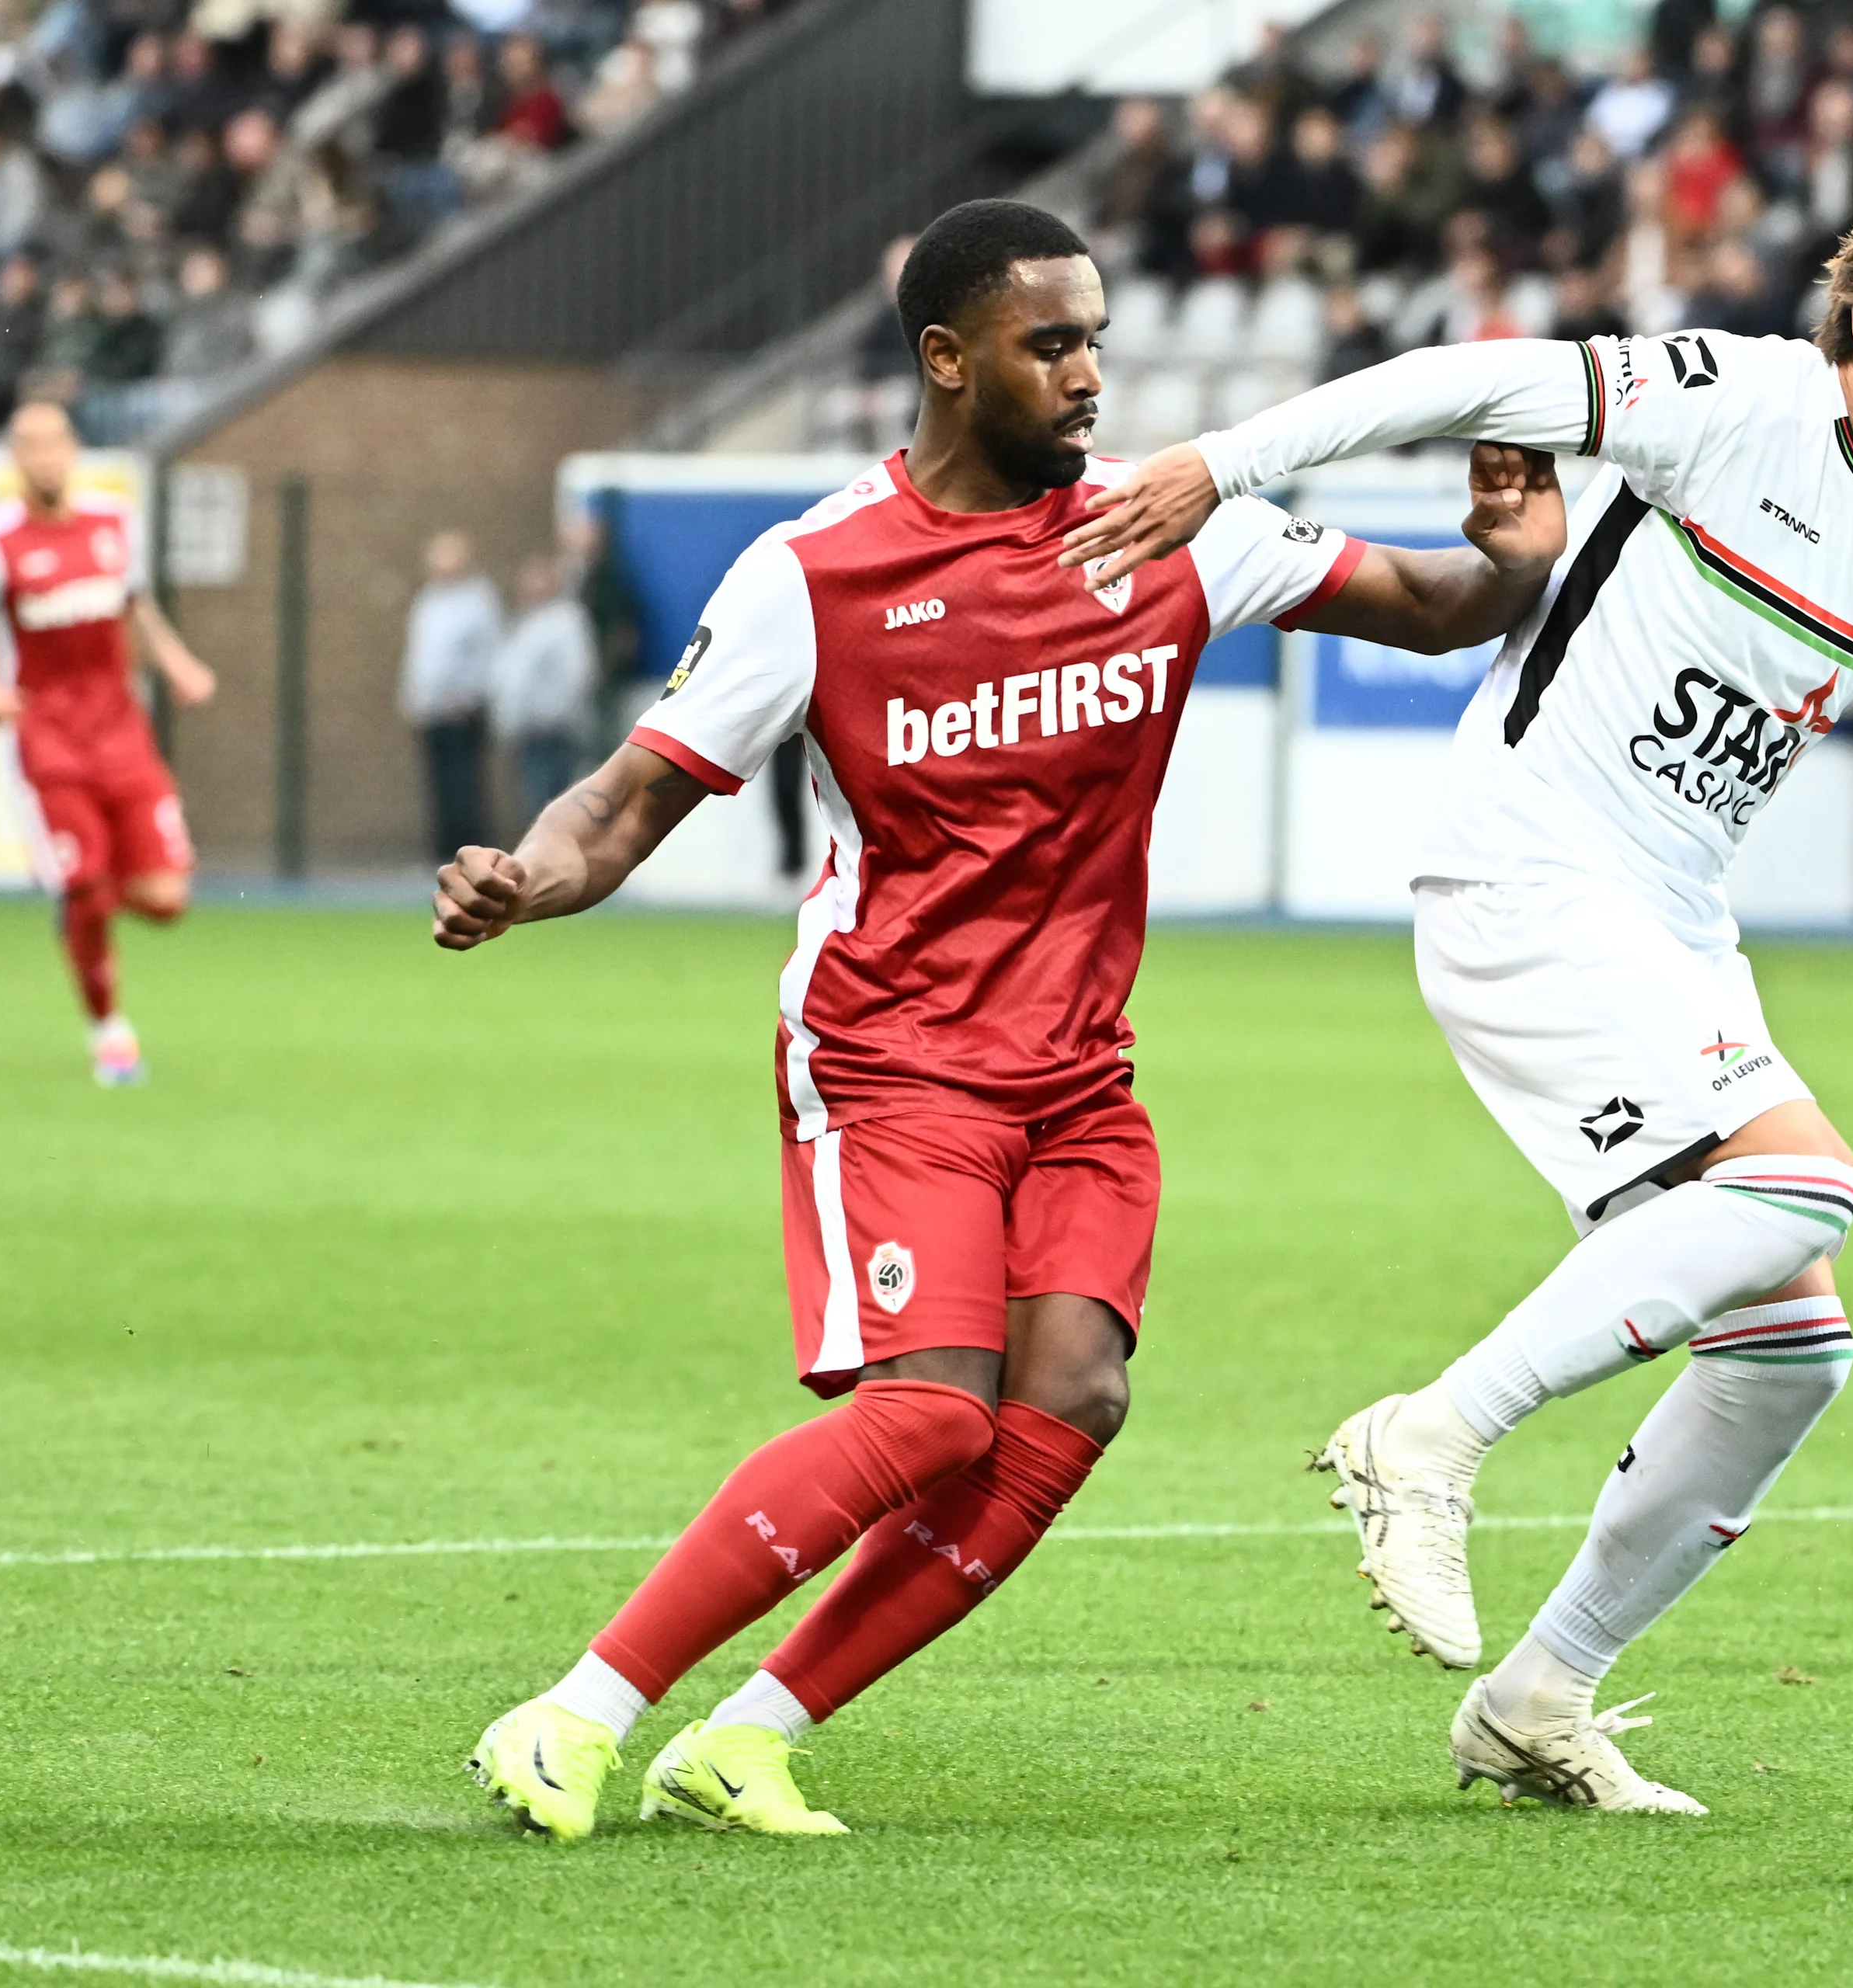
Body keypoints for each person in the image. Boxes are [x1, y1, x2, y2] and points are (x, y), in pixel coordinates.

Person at [1062, 154, 1853, 1813]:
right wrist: (1219, 462)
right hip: (1526, 874)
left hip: (1670, 921)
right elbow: (1466, 379)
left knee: (1791, 1349)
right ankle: (1427, 1435)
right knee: (1805, 1180)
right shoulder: (1734, 399)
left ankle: (1538, 1695)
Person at [437, 200, 1566, 1842]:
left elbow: (1436, 605)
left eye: (1101, 336)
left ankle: (746, 1734)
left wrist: (1518, 543)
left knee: (1072, 1397)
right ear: (948, 360)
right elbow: (618, 808)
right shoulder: (815, 576)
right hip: (890, 1055)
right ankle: (574, 1711)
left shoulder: (1169, 530)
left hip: (1079, 1075)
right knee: (928, 1408)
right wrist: (519, 882)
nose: (1092, 373)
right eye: (1054, 344)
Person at [0, 401, 215, 1086]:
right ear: (15, 458)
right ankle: (110, 1034)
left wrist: (175, 663)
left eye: (55, 443)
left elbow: (135, 605)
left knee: (167, 899)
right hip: (47, 747)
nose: (45, 457)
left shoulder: (115, 524)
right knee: (87, 892)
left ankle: (78, 896)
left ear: (73, 449)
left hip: (123, 737)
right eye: (30, 445)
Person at [400, 530, 503, 858]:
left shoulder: (477, 600)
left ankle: (470, 854)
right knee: (439, 788)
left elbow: (489, 654)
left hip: (463, 709)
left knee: (464, 787)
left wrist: (475, 696)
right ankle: (442, 855)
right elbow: (419, 655)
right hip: (430, 710)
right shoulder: (427, 601)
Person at [488, 550, 595, 832]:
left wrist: (556, 712)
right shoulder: (525, 621)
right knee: (535, 799)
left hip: (554, 727)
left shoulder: (566, 620)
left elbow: (578, 673)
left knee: (554, 798)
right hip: (528, 728)